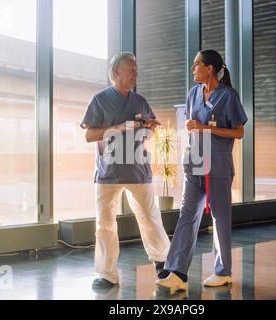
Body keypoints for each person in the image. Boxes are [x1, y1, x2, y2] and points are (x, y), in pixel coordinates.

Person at [156, 50, 247, 291]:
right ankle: (177, 271)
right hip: (194, 163)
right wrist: (192, 127)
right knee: (187, 215)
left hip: (217, 166)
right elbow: (193, 124)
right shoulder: (193, 93)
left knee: (219, 218)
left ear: (209, 68)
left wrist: (206, 128)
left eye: (196, 64)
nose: (192, 68)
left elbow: (239, 132)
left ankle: (223, 271)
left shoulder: (228, 96)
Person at [81, 52, 170, 290]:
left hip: (137, 169)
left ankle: (163, 261)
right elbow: (89, 135)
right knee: (105, 223)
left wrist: (149, 127)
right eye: (131, 70)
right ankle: (106, 273)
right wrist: (117, 128)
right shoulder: (99, 100)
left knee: (150, 217)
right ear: (116, 73)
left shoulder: (140, 101)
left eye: (136, 70)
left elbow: (151, 129)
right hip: (108, 171)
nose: (135, 74)